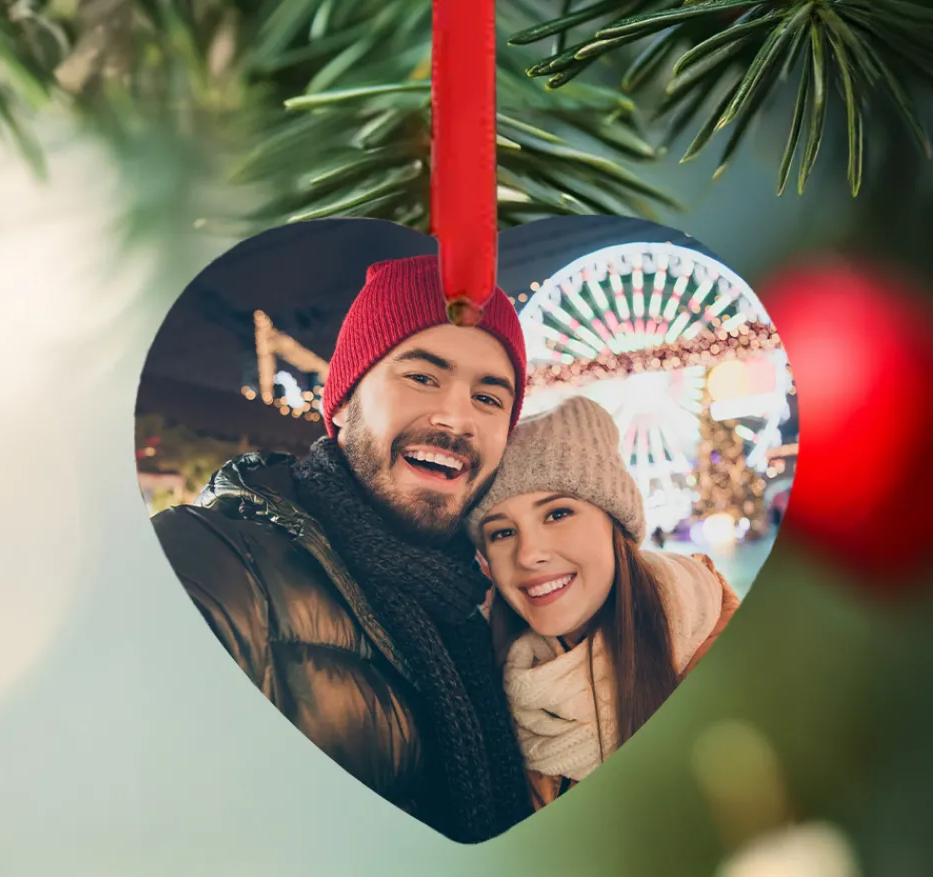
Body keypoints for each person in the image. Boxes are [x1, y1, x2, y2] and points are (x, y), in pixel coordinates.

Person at [152, 255, 535, 844]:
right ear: (342, 402)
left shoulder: (491, 610)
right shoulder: (215, 562)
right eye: (422, 377)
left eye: (489, 399)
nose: (456, 418)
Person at [466, 396, 740, 810]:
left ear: (616, 521)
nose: (528, 555)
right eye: (502, 533)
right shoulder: (496, 689)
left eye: (557, 514)